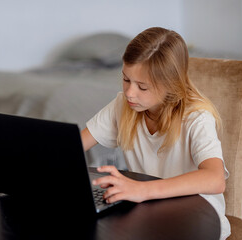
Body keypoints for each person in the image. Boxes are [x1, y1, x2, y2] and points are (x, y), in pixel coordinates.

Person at [81, 27, 231, 239]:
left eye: (142, 87)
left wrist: (143, 190)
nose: (130, 93)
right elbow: (72, 148)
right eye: (126, 80)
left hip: (198, 219)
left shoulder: (196, 118)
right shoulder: (122, 106)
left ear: (171, 85)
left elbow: (215, 179)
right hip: (149, 211)